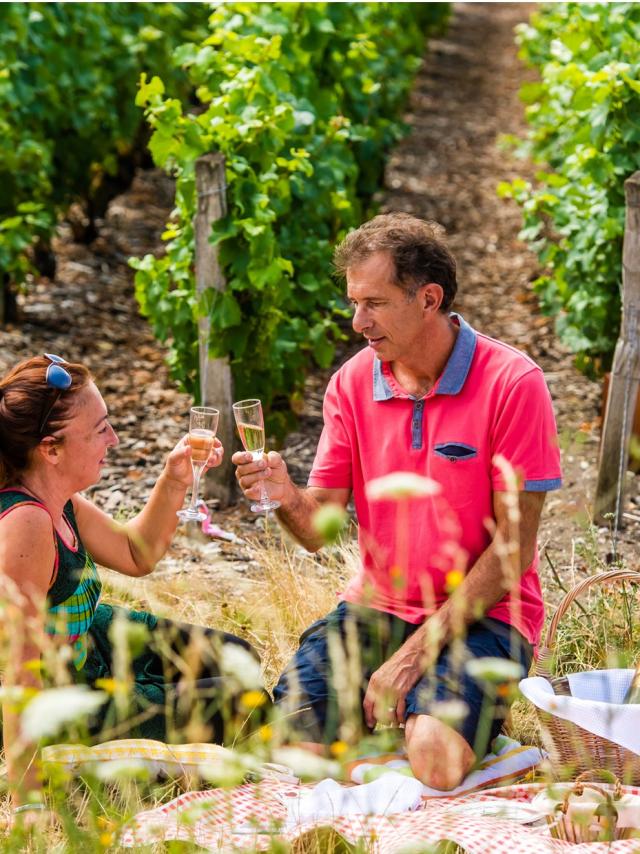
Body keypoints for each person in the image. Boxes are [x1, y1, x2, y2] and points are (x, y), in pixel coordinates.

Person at [233, 213, 562, 790]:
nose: (358, 322)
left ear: (428, 298)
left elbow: (513, 550)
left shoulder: (514, 383)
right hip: (376, 607)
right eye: (354, 302)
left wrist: (411, 657)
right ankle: (405, 739)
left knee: (435, 759)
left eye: (375, 303)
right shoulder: (352, 383)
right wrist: (285, 496)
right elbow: (317, 531)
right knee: (291, 749)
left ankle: (467, 744)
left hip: (485, 616)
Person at [0, 354, 265, 818]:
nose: (115, 439)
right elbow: (18, 677)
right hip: (71, 699)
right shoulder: (26, 525)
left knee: (239, 658)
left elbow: (135, 552)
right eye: (100, 429)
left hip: (94, 638)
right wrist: (28, 806)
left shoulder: (57, 498)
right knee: (247, 702)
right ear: (51, 449)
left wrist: (175, 476)